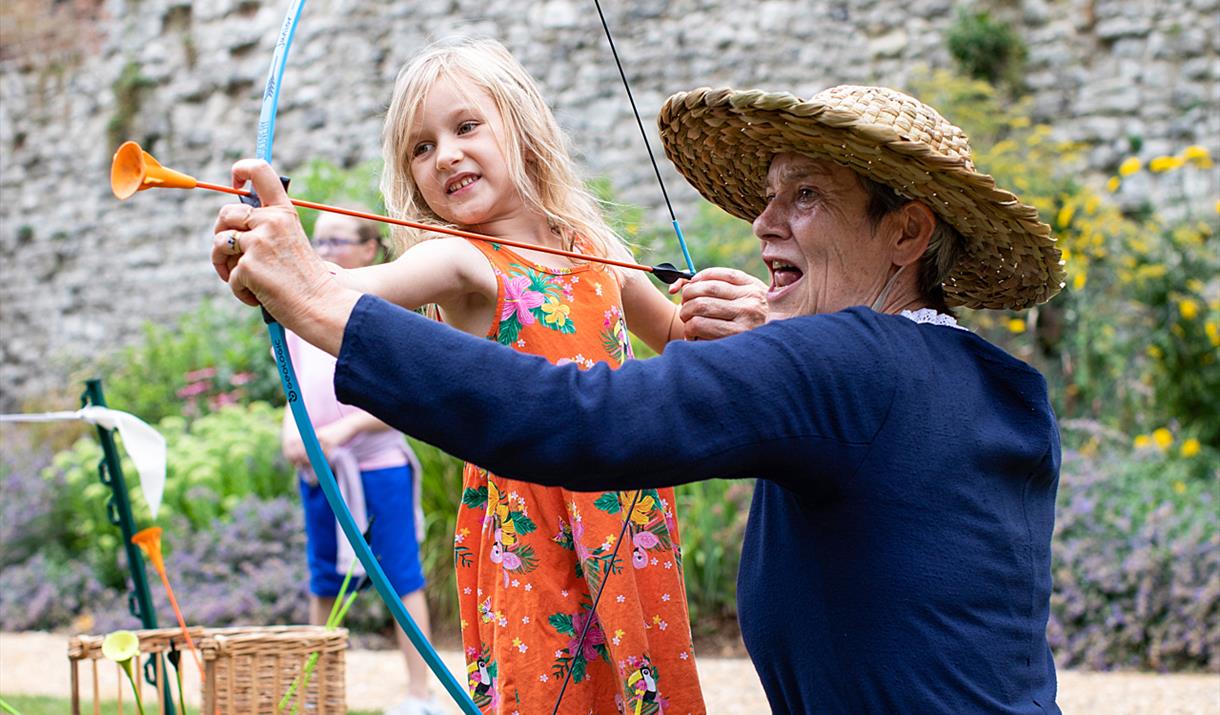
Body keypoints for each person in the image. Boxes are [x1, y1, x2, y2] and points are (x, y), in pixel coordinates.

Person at [214, 83, 1066, 713]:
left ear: (907, 233)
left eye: (804, 195)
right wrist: (768, 349)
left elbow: (587, 419)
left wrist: (321, 300)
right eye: (768, 196)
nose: (765, 223)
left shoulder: (841, 365)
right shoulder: (1001, 387)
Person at [254, 38, 766, 714]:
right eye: (421, 147)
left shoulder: (592, 245)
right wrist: (286, 259)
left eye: (466, 126)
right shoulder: (461, 259)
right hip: (532, 532)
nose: (447, 154)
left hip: (625, 514)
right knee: (552, 692)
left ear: (521, 131)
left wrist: (722, 310)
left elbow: (673, 334)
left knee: (641, 688)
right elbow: (354, 289)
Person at [281, 211, 442, 715]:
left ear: (370, 249)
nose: (325, 249)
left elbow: (401, 397)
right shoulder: (299, 314)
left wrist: (347, 429)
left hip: (378, 467)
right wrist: (295, 434)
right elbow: (294, 386)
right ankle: (317, 694)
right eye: (319, 239)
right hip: (324, 471)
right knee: (324, 578)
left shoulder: (382, 311)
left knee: (401, 577)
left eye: (339, 239)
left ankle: (421, 695)